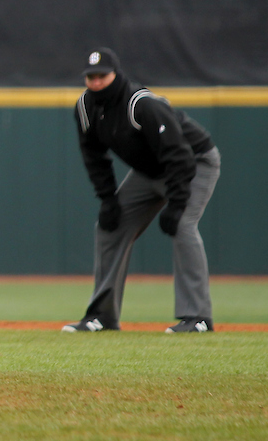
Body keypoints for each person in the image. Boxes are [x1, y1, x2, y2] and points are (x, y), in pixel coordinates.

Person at [62, 47, 221, 334]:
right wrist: (108, 199)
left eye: (102, 75)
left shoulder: (141, 104)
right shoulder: (85, 108)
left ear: (115, 74)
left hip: (194, 162)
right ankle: (103, 317)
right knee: (109, 227)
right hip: (148, 172)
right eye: (90, 77)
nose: (96, 82)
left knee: (183, 225)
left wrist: (176, 202)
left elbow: (179, 155)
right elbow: (94, 158)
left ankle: (197, 317)